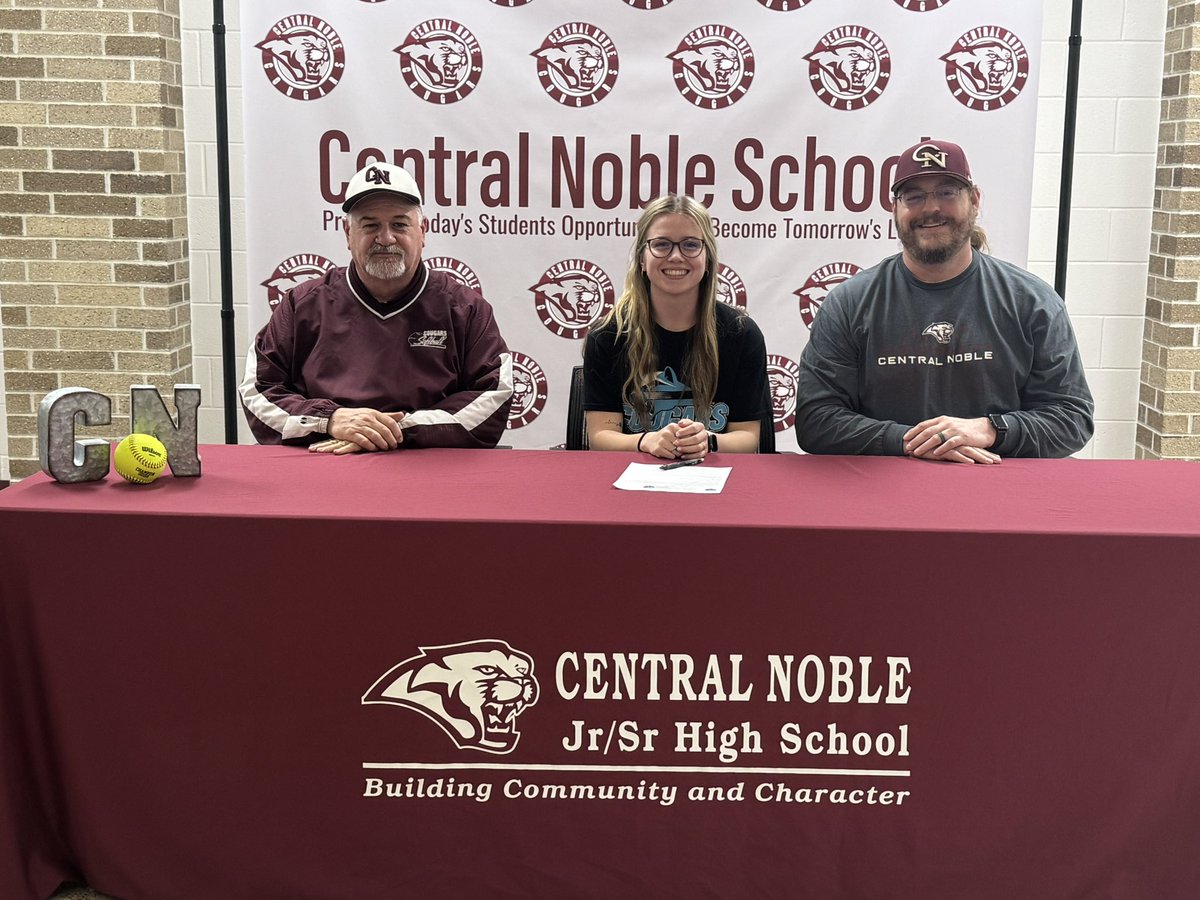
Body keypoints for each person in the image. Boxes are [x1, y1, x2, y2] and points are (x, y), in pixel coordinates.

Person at [795, 138, 1093, 463]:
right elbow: (816, 421)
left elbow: (1072, 418)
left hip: (998, 485)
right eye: (914, 196)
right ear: (895, 208)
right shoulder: (849, 304)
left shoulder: (1033, 302)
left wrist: (992, 429)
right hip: (886, 487)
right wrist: (914, 441)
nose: (930, 208)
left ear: (974, 200)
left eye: (946, 193)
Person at [240, 162, 513, 453]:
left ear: (423, 231)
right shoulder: (302, 305)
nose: (385, 238)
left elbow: (493, 395)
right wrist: (329, 420)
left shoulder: (465, 308)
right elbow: (259, 390)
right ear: (348, 233)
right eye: (370, 225)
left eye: (399, 224)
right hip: (326, 463)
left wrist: (395, 430)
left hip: (426, 465)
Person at [583, 194, 769, 459]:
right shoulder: (608, 335)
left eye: (691, 245)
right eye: (661, 244)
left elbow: (747, 437)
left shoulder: (742, 334)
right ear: (642, 259)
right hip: (630, 478)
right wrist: (647, 441)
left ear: (708, 259)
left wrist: (707, 441)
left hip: (714, 477)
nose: (676, 256)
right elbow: (600, 436)